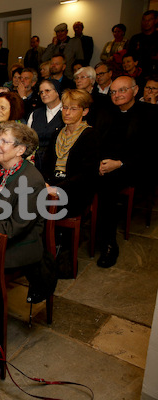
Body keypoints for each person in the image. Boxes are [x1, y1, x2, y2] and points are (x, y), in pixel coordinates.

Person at [0, 122, 53, 300]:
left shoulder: (31, 180)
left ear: (20, 150)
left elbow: (15, 228)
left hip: (19, 244)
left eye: (4, 142)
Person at [94, 76, 155, 268]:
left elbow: (150, 152)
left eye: (122, 90)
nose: (117, 95)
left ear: (135, 91)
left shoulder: (150, 114)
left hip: (134, 167)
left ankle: (108, 243)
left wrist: (119, 163)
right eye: (113, 91)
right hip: (105, 164)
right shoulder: (106, 112)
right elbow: (96, 141)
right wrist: (98, 162)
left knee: (107, 185)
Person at [41, 89, 98, 217]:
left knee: (34, 206)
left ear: (85, 111)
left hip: (75, 190)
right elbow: (46, 165)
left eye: (73, 109)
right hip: (52, 185)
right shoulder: (57, 134)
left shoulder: (90, 135)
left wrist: (59, 189)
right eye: (65, 108)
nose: (67, 112)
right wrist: (46, 184)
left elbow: (86, 173)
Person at [28, 79, 64, 169]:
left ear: (57, 92)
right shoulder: (35, 114)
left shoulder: (66, 113)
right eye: (41, 92)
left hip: (58, 162)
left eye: (47, 90)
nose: (43, 94)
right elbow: (28, 138)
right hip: (36, 163)